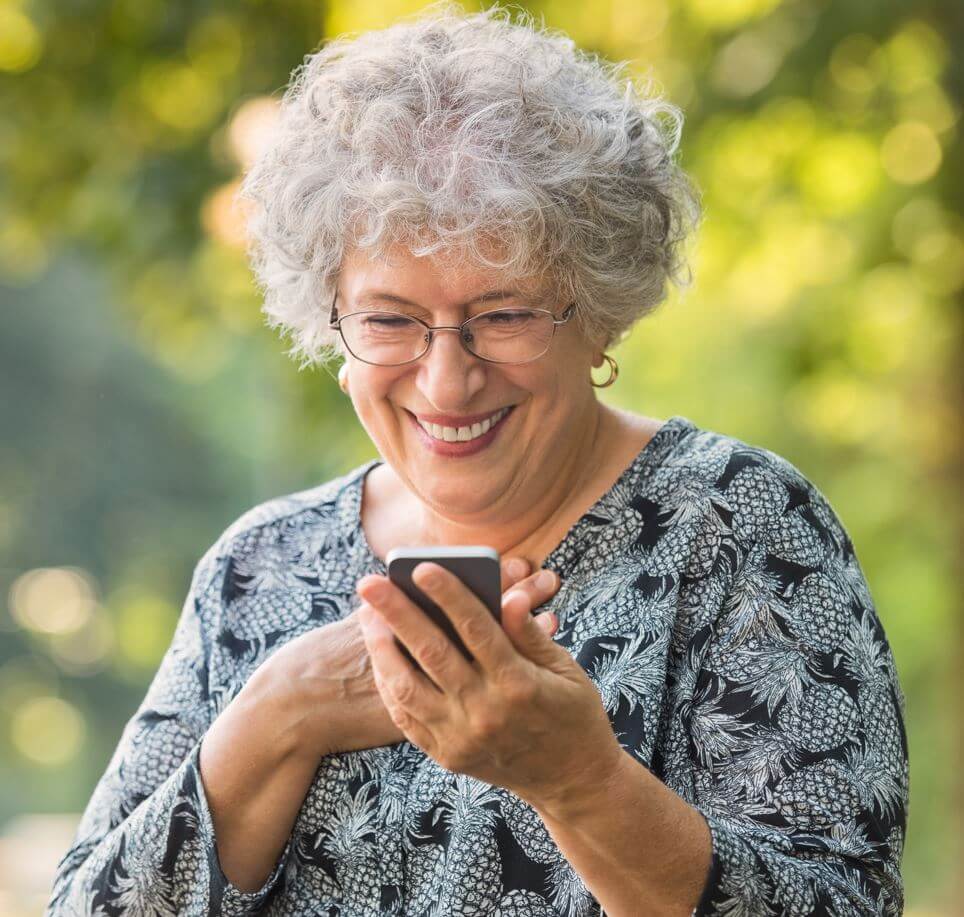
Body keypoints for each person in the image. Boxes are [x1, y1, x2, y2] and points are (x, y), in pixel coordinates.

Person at [46, 3, 908, 915]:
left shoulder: (740, 527)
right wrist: (279, 714)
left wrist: (583, 783)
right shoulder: (260, 568)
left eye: (504, 314)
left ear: (599, 313)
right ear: (332, 323)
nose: (448, 380)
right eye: (389, 319)